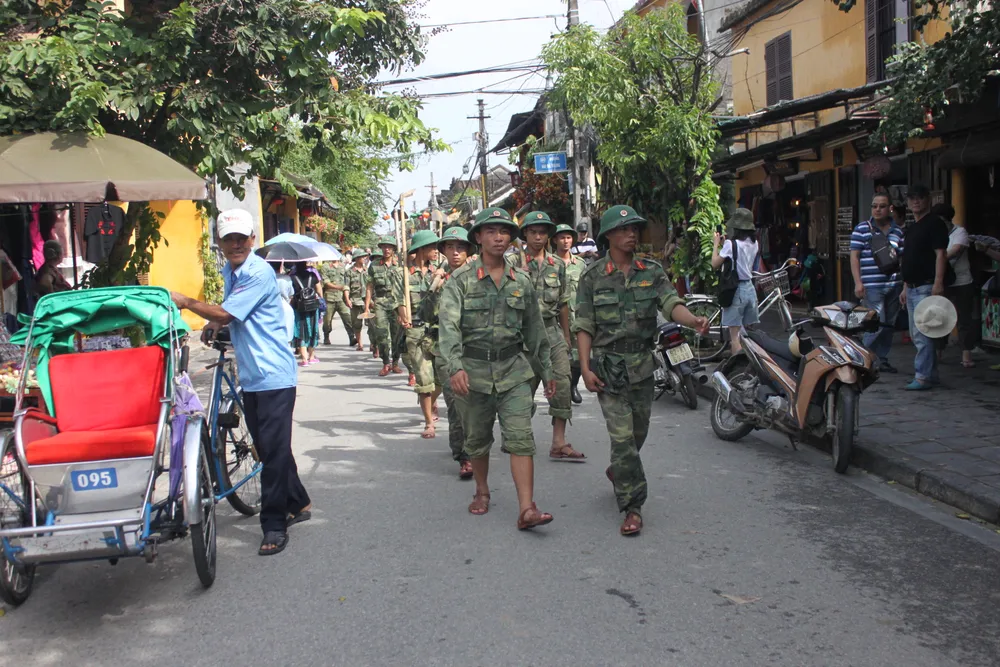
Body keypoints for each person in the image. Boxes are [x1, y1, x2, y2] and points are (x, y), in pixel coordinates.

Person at [171, 208, 310, 557]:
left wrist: (188, 302)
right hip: (252, 374)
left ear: (252, 239)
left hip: (273, 374)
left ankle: (274, 524)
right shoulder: (231, 271)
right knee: (269, 446)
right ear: (219, 242)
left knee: (272, 452)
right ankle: (298, 501)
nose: (235, 244)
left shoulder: (257, 272)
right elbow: (229, 312)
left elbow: (227, 311)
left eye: (241, 238)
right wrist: (216, 324)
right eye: (228, 239)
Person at [575, 205, 708, 537]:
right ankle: (632, 506)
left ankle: (620, 470)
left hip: (642, 366)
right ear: (608, 235)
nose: (631, 234)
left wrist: (692, 320)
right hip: (608, 367)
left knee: (637, 434)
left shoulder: (652, 271)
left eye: (634, 228)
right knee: (622, 440)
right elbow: (584, 324)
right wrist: (585, 368)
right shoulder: (592, 277)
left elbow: (670, 303)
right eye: (623, 229)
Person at [439, 207, 555, 530]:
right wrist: (455, 367)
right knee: (477, 440)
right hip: (472, 373)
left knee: (521, 438)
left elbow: (535, 331)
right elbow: (448, 329)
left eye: (504, 231)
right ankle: (482, 489)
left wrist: (548, 372)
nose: (499, 237)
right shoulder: (460, 281)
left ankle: (526, 508)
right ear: (478, 237)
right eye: (491, 231)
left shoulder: (522, 282)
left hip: (513, 370)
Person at [508, 211, 583, 462]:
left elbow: (563, 303)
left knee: (562, 384)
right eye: (533, 232)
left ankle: (559, 442)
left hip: (552, 332)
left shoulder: (557, 265)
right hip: (522, 335)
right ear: (525, 235)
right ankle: (518, 438)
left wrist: (566, 336)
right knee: (522, 390)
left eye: (542, 232)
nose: (538, 237)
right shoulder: (512, 263)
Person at [424, 226, 474, 479]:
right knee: (456, 403)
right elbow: (424, 313)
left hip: (475, 348)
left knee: (476, 405)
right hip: (445, 348)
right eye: (450, 247)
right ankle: (464, 455)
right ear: (443, 250)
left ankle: (477, 447)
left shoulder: (479, 276)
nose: (455, 252)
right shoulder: (436, 278)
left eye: (461, 247)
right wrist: (435, 286)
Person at [899, 184, 949, 391]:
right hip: (911, 287)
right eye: (912, 198)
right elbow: (908, 259)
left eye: (919, 197)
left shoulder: (935, 223)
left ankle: (923, 376)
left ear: (928, 199)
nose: (916, 201)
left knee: (923, 333)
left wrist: (938, 282)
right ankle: (930, 374)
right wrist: (904, 287)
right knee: (917, 333)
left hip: (926, 285)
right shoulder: (912, 227)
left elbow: (941, 254)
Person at [849, 192, 905, 374]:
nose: (877, 209)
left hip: (894, 284)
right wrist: (858, 282)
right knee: (876, 323)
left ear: (890, 208)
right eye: (874, 206)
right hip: (872, 285)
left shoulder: (898, 231)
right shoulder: (861, 229)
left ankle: (881, 359)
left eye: (882, 206)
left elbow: (902, 259)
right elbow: (854, 257)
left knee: (888, 325)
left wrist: (904, 285)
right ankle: (862, 357)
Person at [397, 230, 442, 439]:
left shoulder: (439, 271)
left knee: (440, 379)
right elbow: (399, 300)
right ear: (421, 249)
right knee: (424, 380)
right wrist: (404, 316)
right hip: (416, 330)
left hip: (438, 330)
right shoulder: (404, 275)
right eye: (432, 247)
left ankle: (431, 401)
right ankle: (429, 422)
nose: (436, 251)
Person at [930, 204, 978, 368]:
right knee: (939, 318)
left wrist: (937, 258)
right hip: (941, 282)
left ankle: (966, 354)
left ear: (948, 220)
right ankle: (938, 353)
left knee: (964, 318)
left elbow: (956, 250)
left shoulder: (960, 232)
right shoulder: (933, 233)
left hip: (962, 281)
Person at [710, 208, 759, 355]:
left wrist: (715, 244)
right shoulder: (755, 243)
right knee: (746, 334)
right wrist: (725, 244)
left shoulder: (731, 245)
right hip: (750, 290)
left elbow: (715, 263)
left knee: (735, 337)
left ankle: (738, 365)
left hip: (736, 291)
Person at [552, 223, 586, 404]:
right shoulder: (549, 263)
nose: (565, 241)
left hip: (576, 317)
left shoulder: (580, 264)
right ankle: (559, 390)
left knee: (579, 356)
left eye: (568, 237)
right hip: (554, 320)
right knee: (557, 358)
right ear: (555, 240)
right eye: (562, 237)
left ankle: (573, 385)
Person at [364, 236, 405, 376]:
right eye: (384, 247)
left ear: (393, 249)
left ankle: (395, 362)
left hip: (396, 302)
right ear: (381, 248)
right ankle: (386, 362)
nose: (387, 249)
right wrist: (367, 306)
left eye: (389, 247)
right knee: (381, 333)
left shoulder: (400, 265)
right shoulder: (374, 265)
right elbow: (369, 286)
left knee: (397, 334)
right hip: (380, 301)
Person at [291, 262, 321, 366]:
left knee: (301, 331)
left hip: (299, 307)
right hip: (312, 307)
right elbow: (319, 290)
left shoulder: (292, 277)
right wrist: (320, 299)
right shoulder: (312, 275)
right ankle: (312, 357)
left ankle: (304, 359)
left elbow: (291, 294)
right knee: (312, 329)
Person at [321, 259, 355, 347]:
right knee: (327, 321)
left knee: (347, 318)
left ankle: (352, 337)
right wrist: (338, 287)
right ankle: (326, 336)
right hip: (329, 298)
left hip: (341, 298)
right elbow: (326, 282)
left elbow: (348, 278)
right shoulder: (325, 266)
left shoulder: (342, 266)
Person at [346, 249, 372, 352]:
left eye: (365, 256)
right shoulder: (349, 272)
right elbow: (346, 287)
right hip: (355, 301)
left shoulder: (368, 271)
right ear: (356, 259)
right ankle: (360, 344)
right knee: (357, 324)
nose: (364, 258)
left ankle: (372, 344)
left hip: (367, 301)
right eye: (362, 257)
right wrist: (347, 299)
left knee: (371, 323)